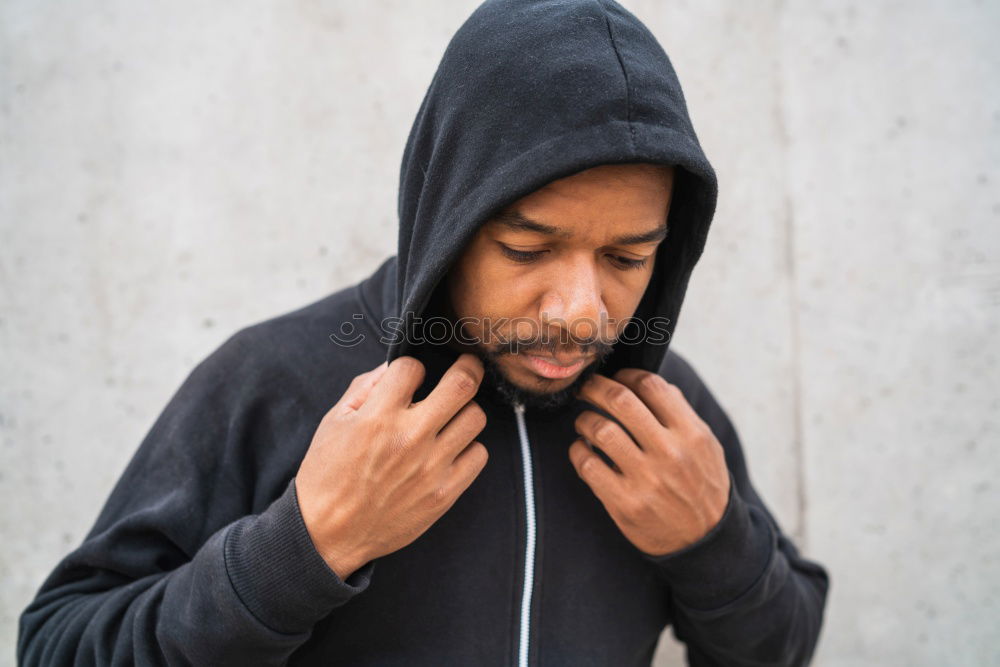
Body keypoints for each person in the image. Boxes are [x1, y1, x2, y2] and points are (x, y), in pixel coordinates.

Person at [18, 0, 830, 665]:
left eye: (627, 256)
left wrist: (715, 546)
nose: (581, 309)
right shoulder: (272, 381)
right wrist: (304, 547)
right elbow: (58, 644)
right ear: (451, 213)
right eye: (528, 246)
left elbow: (781, 646)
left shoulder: (661, 416)